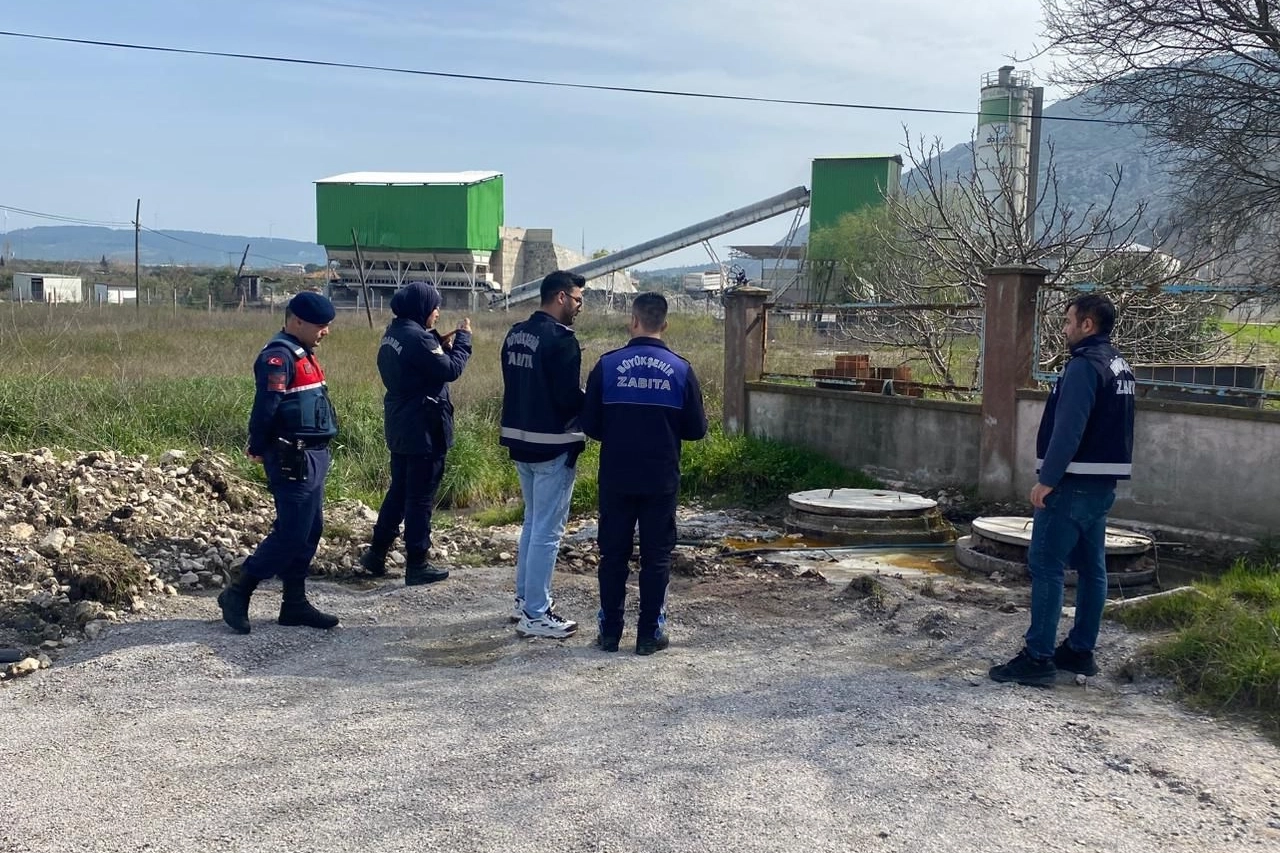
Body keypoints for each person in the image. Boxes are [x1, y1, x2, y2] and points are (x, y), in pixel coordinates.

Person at [990, 293, 1136, 686]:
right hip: (1101, 485)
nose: (1065, 328)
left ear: (1088, 324)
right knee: (1092, 569)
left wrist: (1048, 480)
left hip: (1071, 484)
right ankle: (1080, 650)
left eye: (1070, 321)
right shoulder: (1118, 365)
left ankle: (1038, 657)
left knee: (1046, 565)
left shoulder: (1084, 366)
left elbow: (1069, 429)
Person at [579, 292, 708, 655]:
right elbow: (696, 429)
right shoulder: (681, 370)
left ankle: (609, 632)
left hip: (617, 476)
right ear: (665, 324)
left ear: (633, 321)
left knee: (613, 555)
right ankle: (650, 634)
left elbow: (591, 425)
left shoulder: (607, 366)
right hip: (660, 478)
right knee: (657, 556)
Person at [218, 291, 341, 635]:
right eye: (320, 325)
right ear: (297, 321)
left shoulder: (303, 353)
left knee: (310, 529)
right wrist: (257, 445)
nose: (326, 331)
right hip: (292, 457)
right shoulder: (278, 356)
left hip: (314, 455)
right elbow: (266, 407)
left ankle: (294, 603)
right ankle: (239, 590)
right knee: (292, 532)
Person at [360, 282, 472, 585]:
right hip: (424, 427)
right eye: (434, 307)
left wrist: (439, 345)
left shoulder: (393, 333)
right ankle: (418, 563)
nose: (437, 313)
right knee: (421, 497)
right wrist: (464, 340)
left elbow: (420, 366)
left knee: (398, 491)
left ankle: (376, 553)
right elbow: (450, 370)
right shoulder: (418, 338)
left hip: (401, 424)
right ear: (421, 308)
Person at [499, 270, 587, 639]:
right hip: (552, 443)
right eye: (578, 299)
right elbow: (567, 399)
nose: (580, 306)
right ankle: (536, 613)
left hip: (520, 440)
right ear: (561, 297)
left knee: (533, 524)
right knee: (547, 532)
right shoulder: (561, 340)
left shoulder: (516, 333)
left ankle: (524, 600)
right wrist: (592, 405)